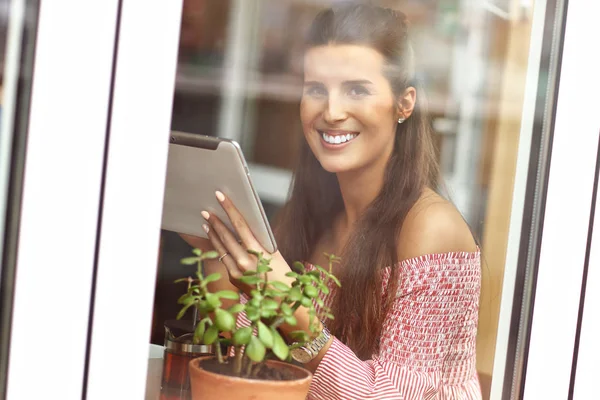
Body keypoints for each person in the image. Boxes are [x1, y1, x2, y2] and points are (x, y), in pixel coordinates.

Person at [184, 4, 482, 399]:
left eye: (356, 89)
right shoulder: (314, 214)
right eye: (316, 89)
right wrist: (215, 251)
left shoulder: (432, 230)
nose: (332, 111)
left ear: (404, 103)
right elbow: (255, 359)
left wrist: (291, 305)